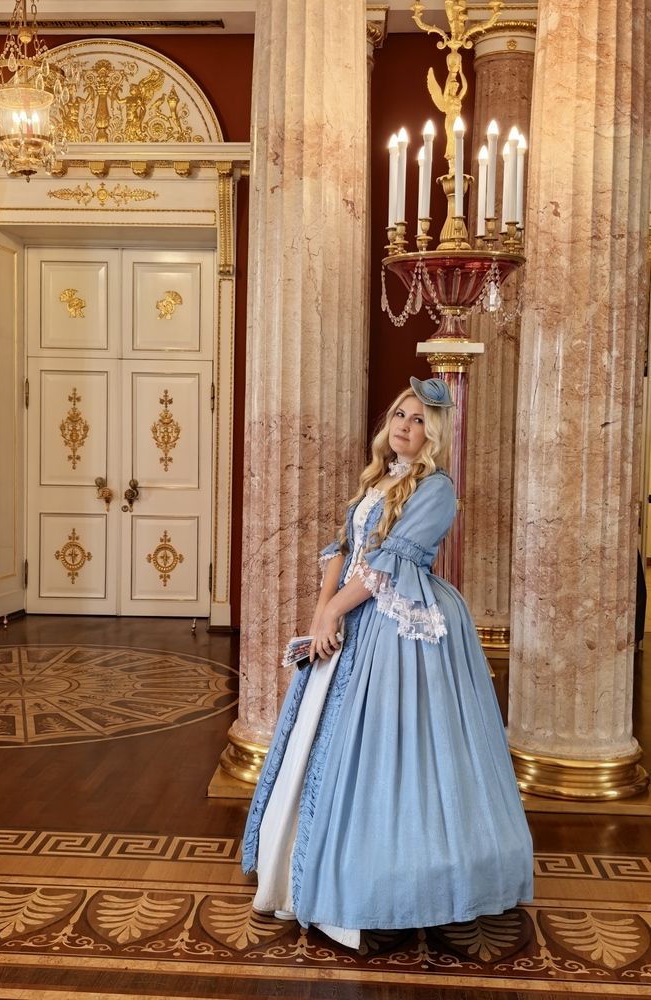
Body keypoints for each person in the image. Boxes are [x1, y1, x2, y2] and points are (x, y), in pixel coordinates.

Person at [241, 377, 533, 949]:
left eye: (419, 420)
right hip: (352, 616)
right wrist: (323, 613)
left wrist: (335, 612)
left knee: (402, 752)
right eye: (401, 414)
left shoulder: (437, 489)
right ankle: (316, 873)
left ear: (434, 434)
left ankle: (406, 884)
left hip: (401, 629)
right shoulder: (376, 480)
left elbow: (388, 566)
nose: (405, 425)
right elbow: (344, 551)